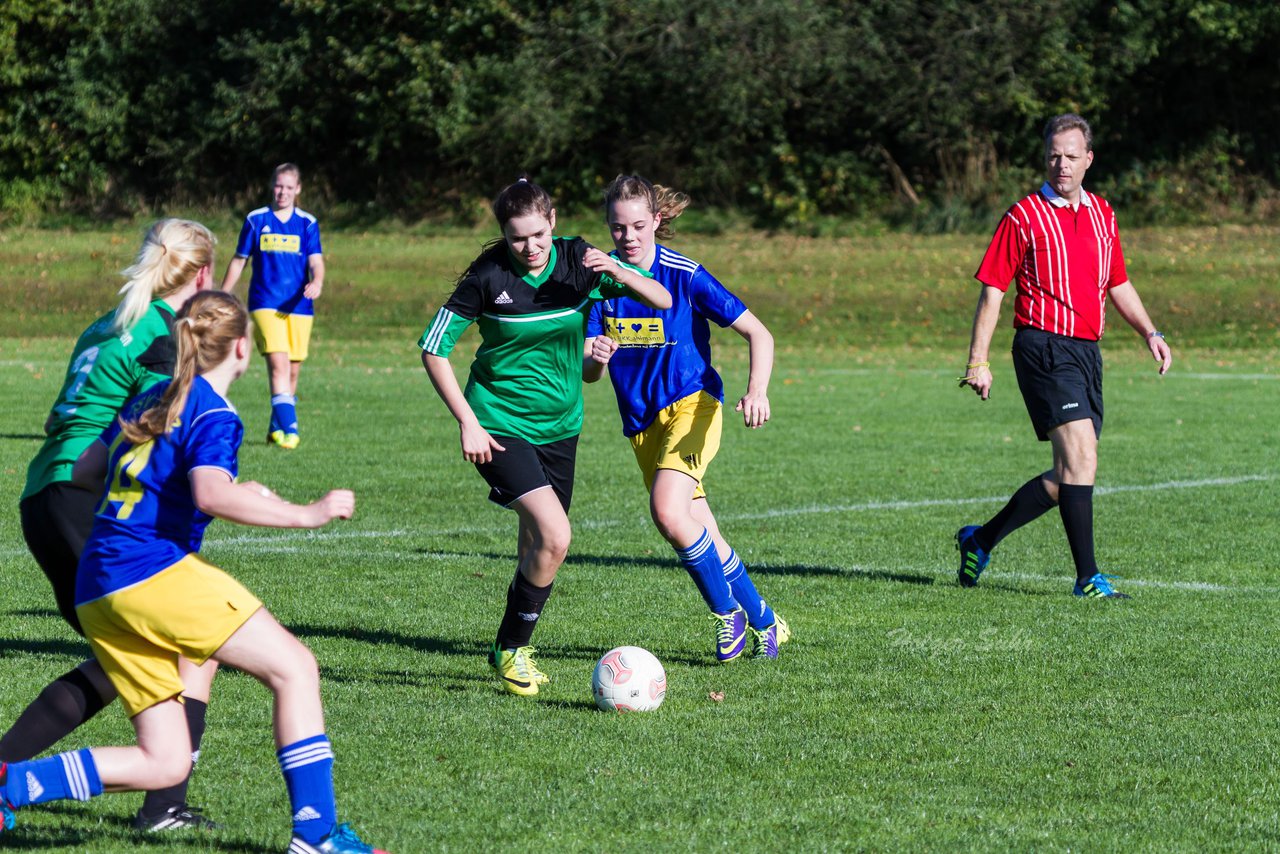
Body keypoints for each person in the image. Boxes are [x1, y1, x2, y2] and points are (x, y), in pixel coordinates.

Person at [0, 291, 384, 854]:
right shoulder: (213, 410)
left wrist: (176, 491)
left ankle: (12, 784)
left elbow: (85, 469)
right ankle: (317, 836)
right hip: (151, 572)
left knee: (164, 761)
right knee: (295, 668)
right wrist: (309, 513)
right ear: (243, 347)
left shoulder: (151, 398)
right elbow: (210, 494)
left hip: (99, 585)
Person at [4, 218, 221, 831]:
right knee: (186, 644)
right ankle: (162, 805)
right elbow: (150, 428)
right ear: (203, 275)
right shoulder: (161, 335)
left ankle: (159, 802)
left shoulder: (110, 320)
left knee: (132, 657)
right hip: (80, 495)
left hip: (45, 492)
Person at [418, 176, 672, 696]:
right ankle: (512, 647)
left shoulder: (579, 261)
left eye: (537, 235)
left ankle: (510, 643)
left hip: (561, 427)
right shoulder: (488, 276)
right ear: (504, 236)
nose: (529, 248)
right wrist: (468, 421)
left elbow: (663, 299)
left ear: (552, 223)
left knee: (538, 542)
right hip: (496, 423)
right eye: (517, 238)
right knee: (556, 536)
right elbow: (433, 349)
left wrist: (615, 268)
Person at [955, 114, 1173, 598]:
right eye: (1054, 155)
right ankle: (1087, 578)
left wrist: (1149, 332)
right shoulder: (1023, 216)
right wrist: (978, 360)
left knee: (1068, 474)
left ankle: (980, 539)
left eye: (1072, 156)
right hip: (1042, 347)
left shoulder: (1102, 214)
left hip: (1086, 352)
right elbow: (992, 291)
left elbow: (1117, 282)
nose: (1062, 165)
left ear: (1088, 159)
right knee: (1081, 458)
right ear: (1045, 158)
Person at [584, 175, 791, 662]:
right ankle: (766, 621)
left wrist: (756, 389)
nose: (628, 237)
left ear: (656, 220)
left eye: (638, 225)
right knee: (702, 531)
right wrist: (595, 354)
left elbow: (759, 334)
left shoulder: (685, 274)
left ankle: (727, 616)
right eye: (617, 228)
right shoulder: (600, 284)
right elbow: (591, 374)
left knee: (667, 512)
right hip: (641, 424)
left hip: (694, 405)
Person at [221, 162, 325, 450]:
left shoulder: (307, 223)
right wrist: (222, 294)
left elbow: (316, 260)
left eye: (289, 187)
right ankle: (291, 431)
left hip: (300, 306)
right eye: (279, 186)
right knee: (278, 365)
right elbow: (240, 260)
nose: (283, 192)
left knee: (292, 372)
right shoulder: (256, 220)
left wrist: (317, 281)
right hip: (265, 303)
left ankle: (275, 428)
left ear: (298, 189)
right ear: (272, 186)